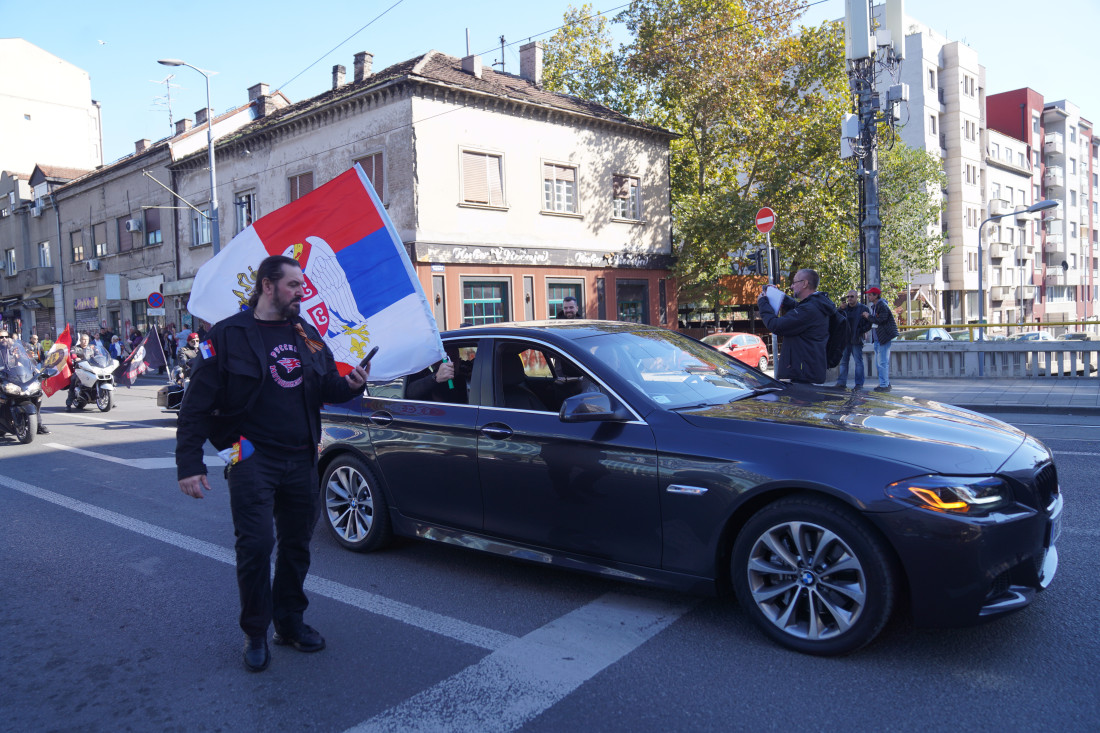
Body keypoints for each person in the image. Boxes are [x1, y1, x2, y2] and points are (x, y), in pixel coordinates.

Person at [175, 255, 368, 673]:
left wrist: (351, 384)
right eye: (294, 285)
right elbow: (195, 408)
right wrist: (189, 463)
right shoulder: (227, 336)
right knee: (257, 545)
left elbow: (325, 388)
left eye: (303, 285)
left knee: (298, 545)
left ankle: (290, 622)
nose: (302, 292)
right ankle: (255, 632)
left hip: (301, 456)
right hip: (251, 457)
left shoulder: (307, 333)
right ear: (267, 285)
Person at [757, 268, 835, 385]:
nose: (792, 286)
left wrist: (762, 303)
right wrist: (779, 296)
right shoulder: (815, 304)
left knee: (801, 403)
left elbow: (775, 326)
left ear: (805, 284)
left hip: (804, 375)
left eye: (794, 282)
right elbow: (796, 307)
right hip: (807, 370)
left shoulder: (809, 309)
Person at [2, 329, 50, 434]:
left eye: (6, 336)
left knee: (33, 396)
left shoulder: (16, 349)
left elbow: (26, 361)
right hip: (3, 376)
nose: (4, 339)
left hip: (16, 377)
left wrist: (36, 370)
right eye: (1, 337)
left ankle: (38, 425)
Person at [831, 290, 872, 390]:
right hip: (845, 340)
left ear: (856, 297)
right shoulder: (844, 308)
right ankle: (841, 383)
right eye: (848, 296)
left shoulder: (863, 308)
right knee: (844, 362)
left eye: (852, 296)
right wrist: (840, 309)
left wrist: (860, 331)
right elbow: (835, 318)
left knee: (858, 362)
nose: (849, 298)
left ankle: (859, 384)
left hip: (856, 339)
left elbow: (869, 323)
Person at [863, 286, 898, 392]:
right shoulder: (875, 306)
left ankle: (884, 385)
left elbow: (881, 320)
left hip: (884, 337)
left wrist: (868, 316)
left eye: (870, 295)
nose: (868, 296)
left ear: (876, 295)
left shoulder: (882, 305)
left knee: (882, 362)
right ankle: (884, 383)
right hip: (878, 338)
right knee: (879, 363)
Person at [66, 333, 97, 410]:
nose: (85, 341)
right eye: (83, 339)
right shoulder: (75, 348)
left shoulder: (91, 348)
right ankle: (69, 403)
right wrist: (75, 357)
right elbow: (72, 354)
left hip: (91, 368)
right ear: (80, 340)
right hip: (79, 369)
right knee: (73, 380)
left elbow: (98, 355)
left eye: (86, 340)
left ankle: (109, 399)